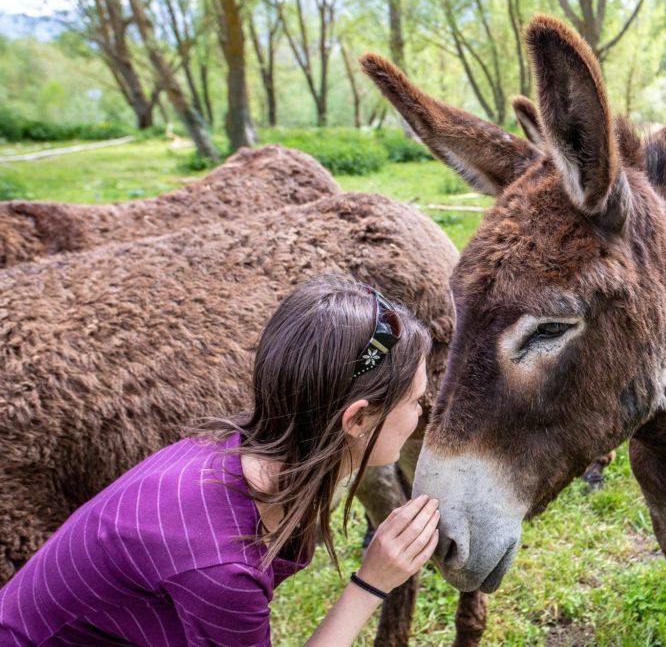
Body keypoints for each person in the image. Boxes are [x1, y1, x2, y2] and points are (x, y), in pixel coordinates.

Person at [0, 275, 440, 646]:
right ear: (359, 419)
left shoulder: (224, 452)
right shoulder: (223, 567)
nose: (423, 411)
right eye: (416, 400)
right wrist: (371, 583)